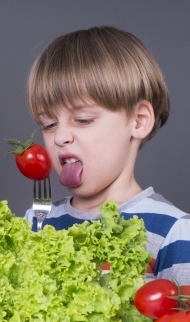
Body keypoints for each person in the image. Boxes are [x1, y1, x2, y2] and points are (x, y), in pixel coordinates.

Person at [24, 26, 190, 290]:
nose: (60, 137)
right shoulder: (35, 221)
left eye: (83, 120)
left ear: (138, 121)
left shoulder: (173, 231)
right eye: (49, 124)